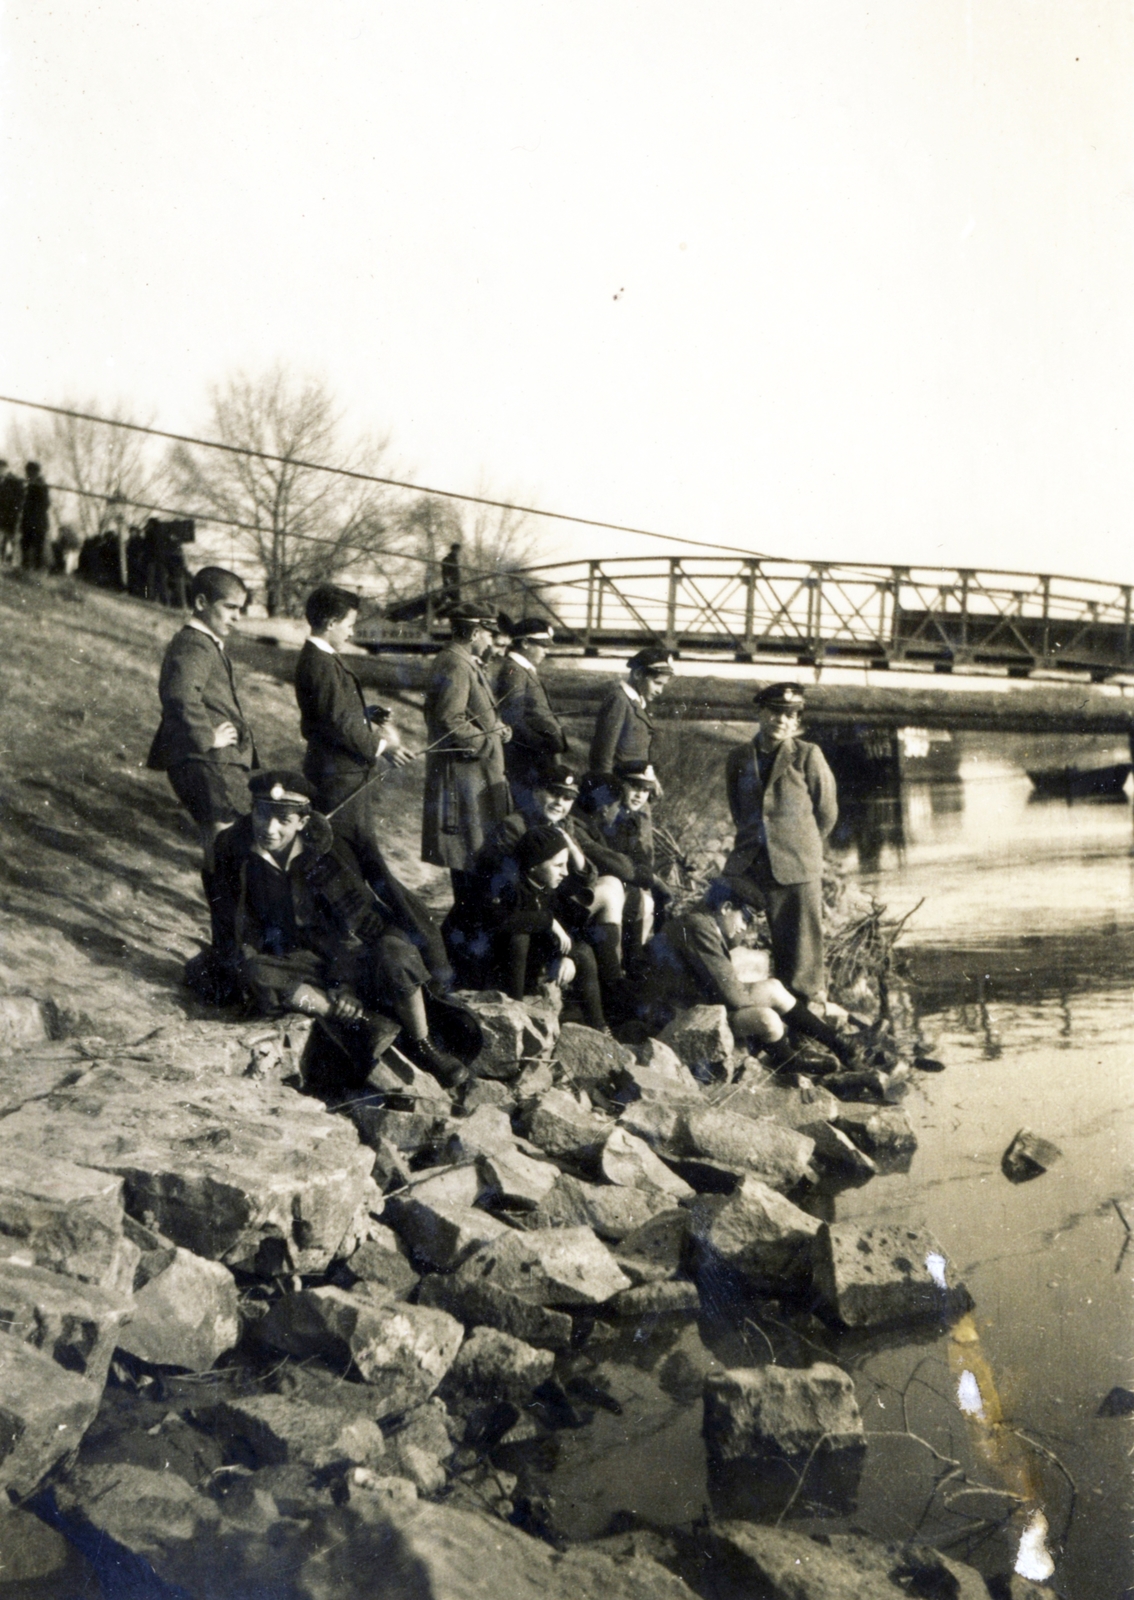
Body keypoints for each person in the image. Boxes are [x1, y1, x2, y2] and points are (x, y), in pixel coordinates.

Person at [215, 771, 470, 1089]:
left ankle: (423, 1043)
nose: (270, 828)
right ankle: (362, 1022)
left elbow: (352, 927)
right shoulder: (235, 852)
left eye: (283, 820)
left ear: (302, 822)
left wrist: (344, 985)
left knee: (398, 956)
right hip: (301, 959)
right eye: (262, 815)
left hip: (358, 949)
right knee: (258, 974)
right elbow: (231, 920)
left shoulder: (326, 854)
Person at [147, 566, 258, 975]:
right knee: (224, 853)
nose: (236, 617)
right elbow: (178, 695)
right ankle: (227, 953)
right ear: (200, 603)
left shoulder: (206, 643)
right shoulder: (193, 644)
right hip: (205, 763)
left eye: (241, 609)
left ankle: (229, 948)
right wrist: (206, 737)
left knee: (225, 853)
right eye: (230, 607)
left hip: (216, 764)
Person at [639, 878, 861, 1070]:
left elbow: (727, 985)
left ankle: (838, 1043)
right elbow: (733, 997)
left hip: (688, 1003)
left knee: (773, 988)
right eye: (745, 917)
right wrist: (759, 1003)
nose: (745, 927)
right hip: (673, 1017)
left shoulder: (700, 920)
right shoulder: (698, 929)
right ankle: (788, 1063)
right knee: (767, 1019)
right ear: (726, 907)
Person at [721, 682, 837, 1006]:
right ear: (761, 712)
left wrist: (800, 846)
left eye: (790, 714)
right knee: (728, 928)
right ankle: (748, 1003)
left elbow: (826, 812)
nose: (782, 720)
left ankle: (806, 1016)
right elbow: (738, 811)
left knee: (802, 954)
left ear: (797, 719)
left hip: (797, 865)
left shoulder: (808, 755)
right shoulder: (739, 758)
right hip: (751, 863)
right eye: (775, 712)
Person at [443, 824, 606, 1030]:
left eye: (566, 865)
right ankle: (515, 1020)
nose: (565, 872)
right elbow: (497, 921)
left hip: (514, 968)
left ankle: (600, 1028)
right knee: (519, 934)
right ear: (534, 865)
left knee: (583, 951)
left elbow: (576, 922)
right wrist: (548, 921)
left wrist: (569, 956)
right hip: (476, 969)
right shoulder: (502, 880)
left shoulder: (546, 884)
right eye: (558, 865)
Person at [421, 602, 513, 898]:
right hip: (463, 782)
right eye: (488, 634)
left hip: (473, 779)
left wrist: (496, 726)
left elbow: (467, 713)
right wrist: (489, 741)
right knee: (471, 872)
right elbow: (450, 718)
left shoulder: (463, 662)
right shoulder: (455, 663)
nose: (490, 641)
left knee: (477, 868)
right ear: (475, 632)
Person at [295, 584, 411, 814]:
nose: (351, 633)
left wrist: (365, 713)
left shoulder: (323, 659)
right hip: (337, 777)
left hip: (340, 772)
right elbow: (338, 722)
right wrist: (383, 746)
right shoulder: (321, 663)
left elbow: (330, 711)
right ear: (330, 623)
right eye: (349, 625)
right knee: (347, 844)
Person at [494, 615, 569, 813]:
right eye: (542, 645)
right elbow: (512, 719)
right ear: (525, 643)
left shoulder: (524, 670)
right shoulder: (514, 671)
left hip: (537, 760)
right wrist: (543, 744)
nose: (547, 650)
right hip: (526, 762)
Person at [589, 647, 674, 774]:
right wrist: (605, 787)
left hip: (635, 783)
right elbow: (603, 754)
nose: (659, 691)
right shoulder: (619, 700)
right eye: (657, 683)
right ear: (638, 674)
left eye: (663, 685)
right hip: (619, 783)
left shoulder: (637, 702)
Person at [19, 462, 50, 572]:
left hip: (37, 522)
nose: (26, 474)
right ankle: (25, 567)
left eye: (28, 472)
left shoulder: (41, 484)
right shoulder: (29, 484)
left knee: (37, 547)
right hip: (28, 521)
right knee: (25, 544)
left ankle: (37, 569)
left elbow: (46, 504)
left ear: (34, 472)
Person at [0, 461, 25, 567]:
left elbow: (20, 499)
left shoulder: (15, 481)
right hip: (1, 515)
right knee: (2, 539)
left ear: (6, 468)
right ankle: (2, 560)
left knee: (11, 539)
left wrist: (16, 513)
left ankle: (13, 562)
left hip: (11, 516)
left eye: (1, 468)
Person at [439, 542, 463, 606]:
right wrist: (448, 582)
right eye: (456, 550)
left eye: (458, 550)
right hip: (450, 584)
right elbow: (445, 573)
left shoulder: (455, 560)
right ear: (453, 550)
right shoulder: (447, 559)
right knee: (443, 601)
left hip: (456, 584)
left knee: (456, 602)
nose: (457, 552)